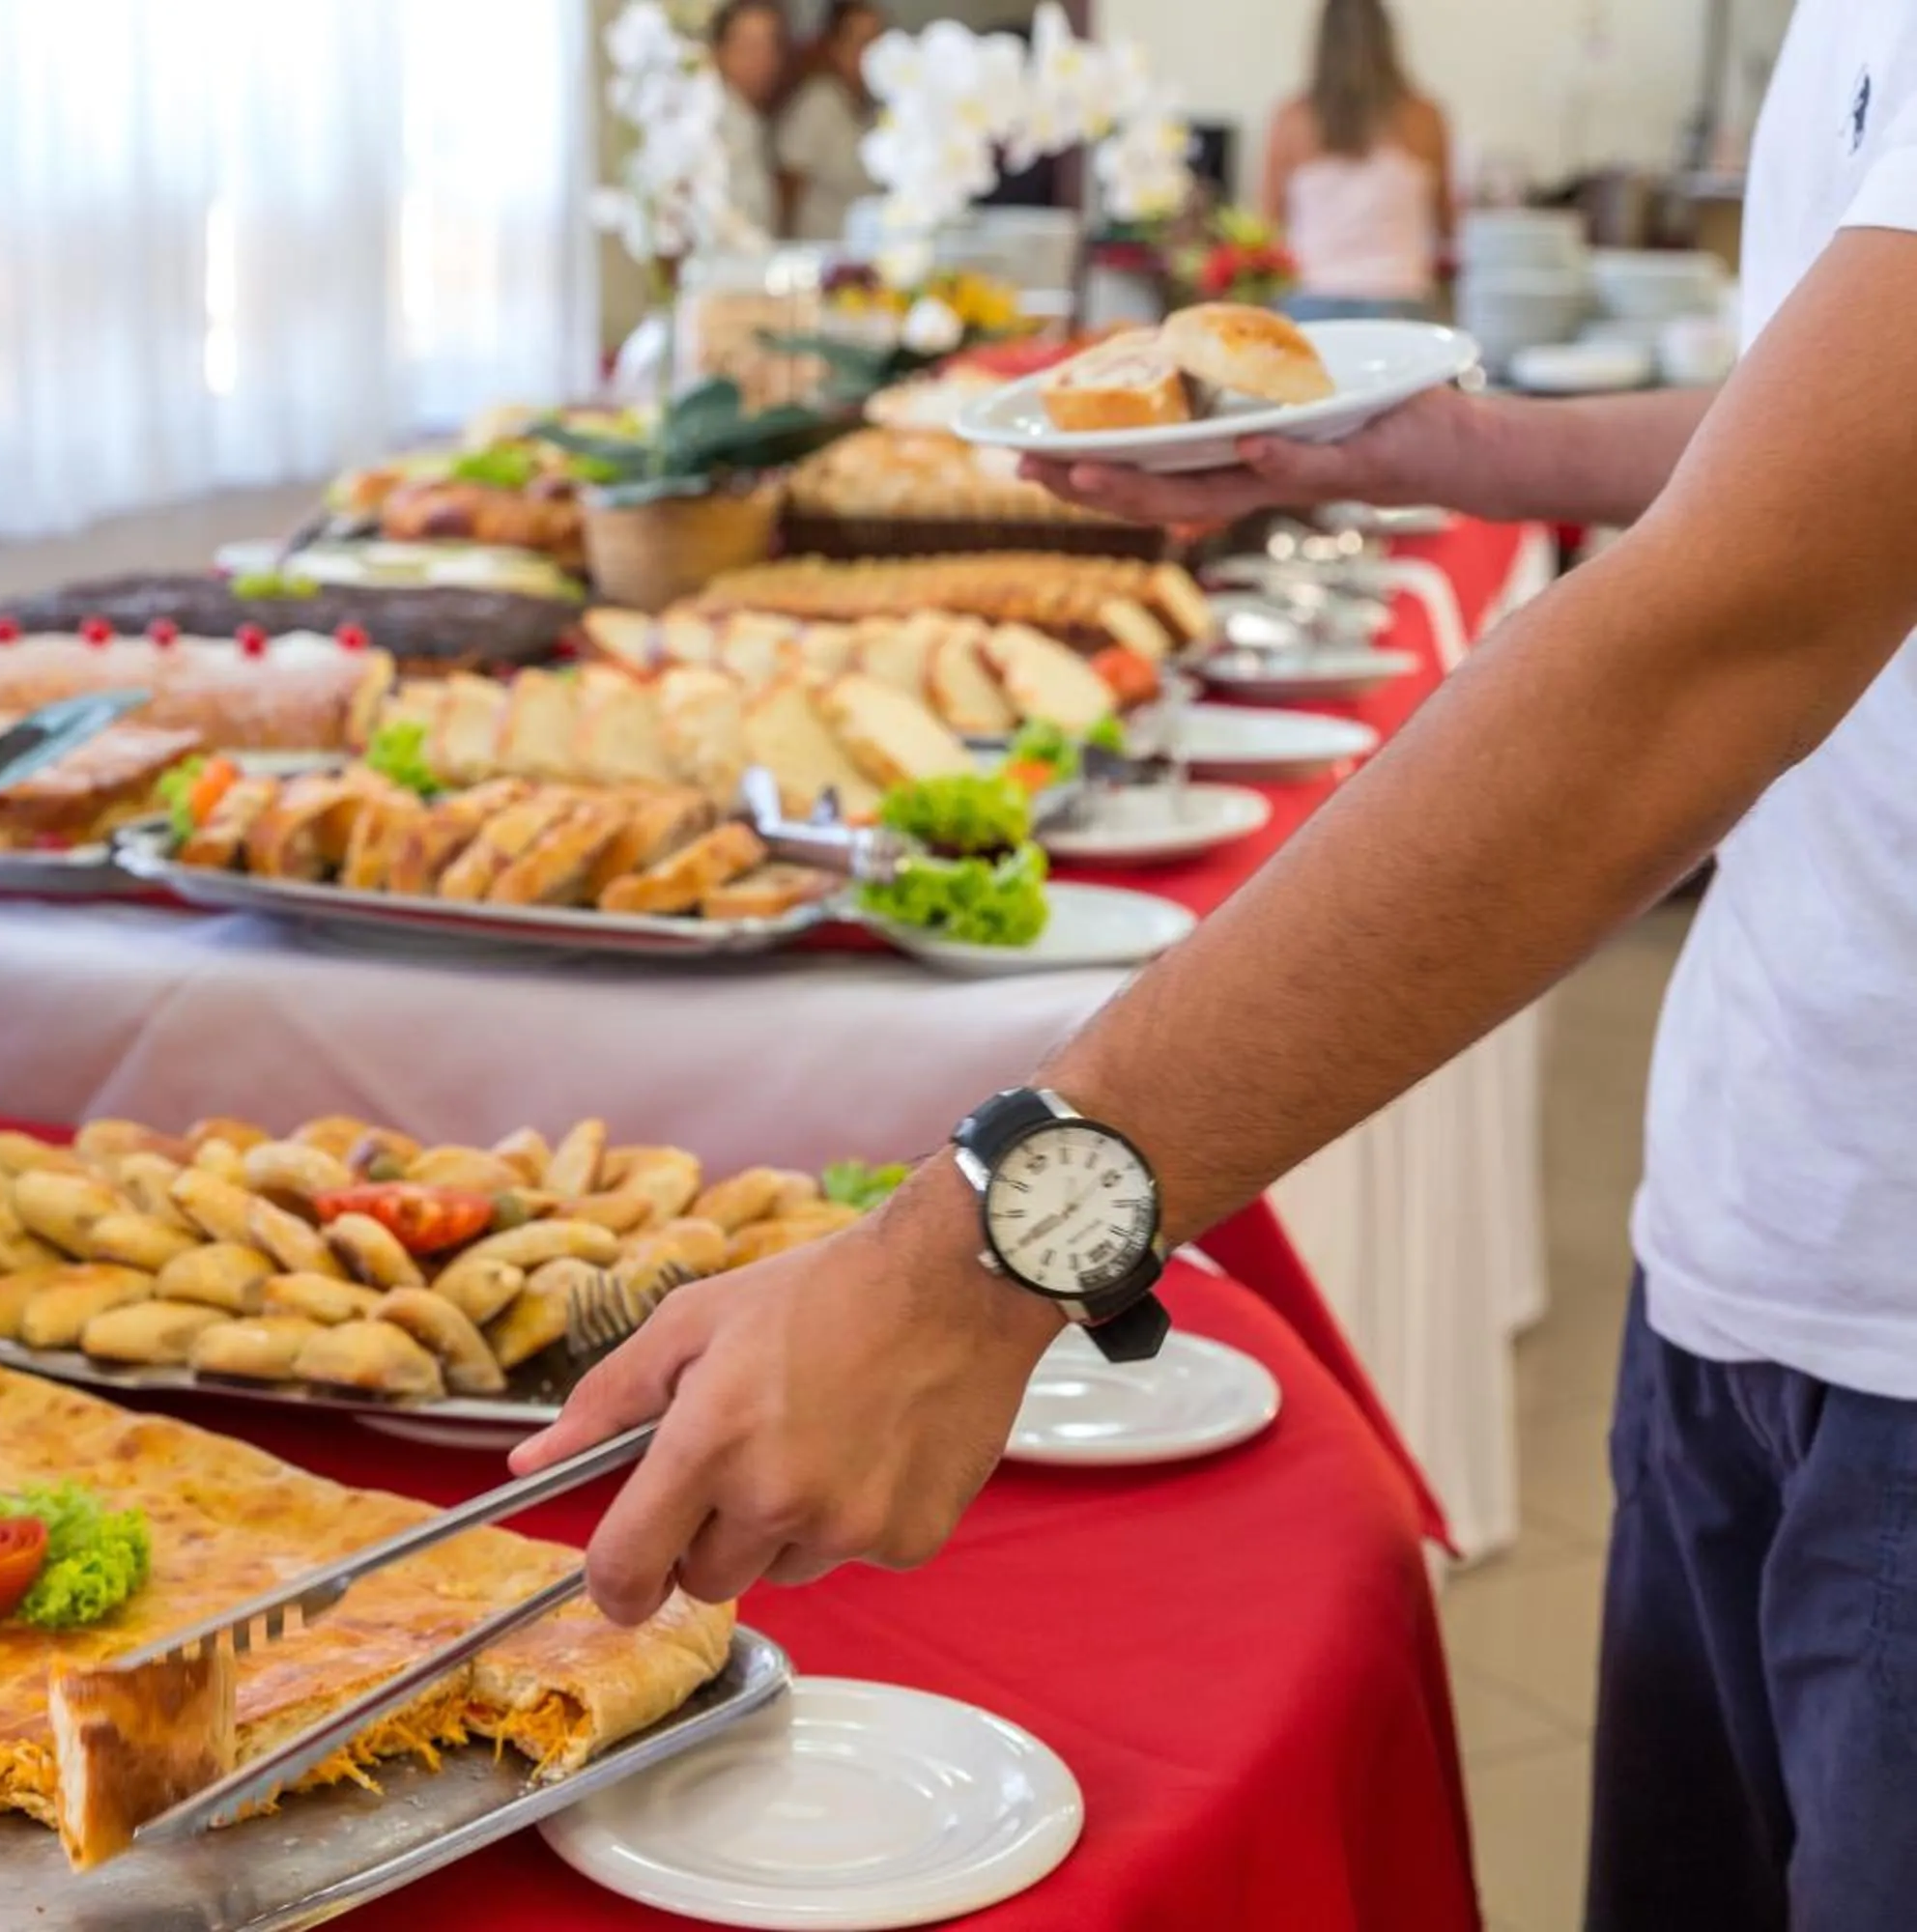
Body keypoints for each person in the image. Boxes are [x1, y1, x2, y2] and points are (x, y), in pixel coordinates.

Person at [517, 3, 1917, 1923]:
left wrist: (987, 1253)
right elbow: (1818, 442)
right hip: (1776, 1211)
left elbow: (1734, 622)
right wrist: (1442, 446)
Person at [1262, 0, 1449, 321]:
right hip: (1402, 302)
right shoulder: (1425, 117)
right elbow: (1447, 224)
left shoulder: (1292, 119)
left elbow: (1267, 226)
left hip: (1311, 300)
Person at [775, 1, 886, 244]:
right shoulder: (816, 104)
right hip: (817, 256)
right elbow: (787, 188)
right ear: (836, 47)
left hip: (868, 253)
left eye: (879, 42)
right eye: (861, 42)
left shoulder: (880, 108)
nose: (872, 53)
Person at [704, 0, 787, 243]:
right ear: (718, 52)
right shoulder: (704, 124)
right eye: (750, 47)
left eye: (772, 46)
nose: (764, 59)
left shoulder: (753, 118)